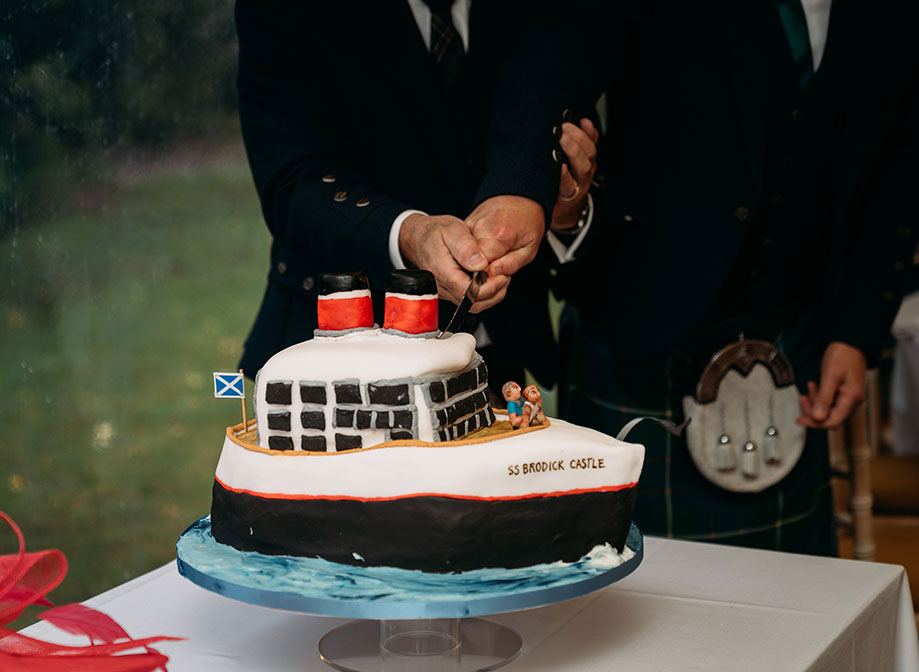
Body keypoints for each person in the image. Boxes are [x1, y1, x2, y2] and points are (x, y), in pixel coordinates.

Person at [545, 0, 919, 554]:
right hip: (638, 347)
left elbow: (899, 167)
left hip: (793, 348)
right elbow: (556, 77)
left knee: (795, 595)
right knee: (623, 589)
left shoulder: (893, 12)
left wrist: (856, 331)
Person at [232, 0, 591, 392]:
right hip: (338, 364)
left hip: (499, 353)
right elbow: (294, 184)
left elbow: (563, 110)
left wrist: (556, 210)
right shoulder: (286, 9)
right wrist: (408, 234)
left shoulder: (538, 13)